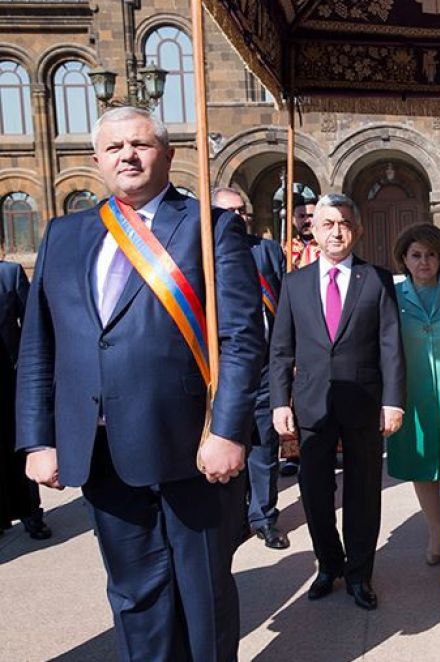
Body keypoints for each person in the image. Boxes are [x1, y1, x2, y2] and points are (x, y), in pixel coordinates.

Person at [16, 106, 264, 661]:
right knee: (134, 597)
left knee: (204, 594)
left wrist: (228, 431)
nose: (128, 155)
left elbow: (243, 340)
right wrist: (38, 439)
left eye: (141, 144)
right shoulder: (65, 234)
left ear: (169, 155)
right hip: (101, 450)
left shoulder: (210, 226)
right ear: (97, 160)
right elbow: (40, 345)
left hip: (191, 448)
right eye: (114, 148)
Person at [269, 193, 405, 610]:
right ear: (313, 228)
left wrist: (393, 401)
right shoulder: (294, 283)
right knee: (315, 492)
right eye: (328, 223)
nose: (337, 231)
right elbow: (280, 350)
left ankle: (360, 574)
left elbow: (391, 345)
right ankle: (329, 564)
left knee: (364, 492)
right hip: (311, 404)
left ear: (357, 230)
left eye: (344, 223)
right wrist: (280, 402)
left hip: (364, 404)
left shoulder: (377, 280)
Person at [388, 223, 440, 566]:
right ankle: (434, 529)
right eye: (416, 255)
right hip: (413, 395)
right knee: (422, 465)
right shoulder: (392, 298)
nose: (424, 262)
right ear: (404, 259)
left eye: (431, 255)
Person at [213, 187, 290, 550]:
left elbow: (286, 305)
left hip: (264, 365)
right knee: (229, 440)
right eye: (228, 212)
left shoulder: (268, 251)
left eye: (242, 212)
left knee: (264, 445)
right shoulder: (204, 253)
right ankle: (232, 519)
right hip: (223, 369)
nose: (238, 218)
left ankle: (264, 517)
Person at [0, 252, 50, 540]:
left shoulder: (10, 274)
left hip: (10, 381)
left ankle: (32, 514)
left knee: (19, 449)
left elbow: (32, 325)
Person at [280, 193, 319, 477]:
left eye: (310, 216)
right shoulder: (285, 250)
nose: (306, 221)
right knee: (292, 387)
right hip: (294, 320)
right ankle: (292, 451)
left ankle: (335, 448)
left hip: (321, 321)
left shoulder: (325, 247)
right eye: (302, 216)